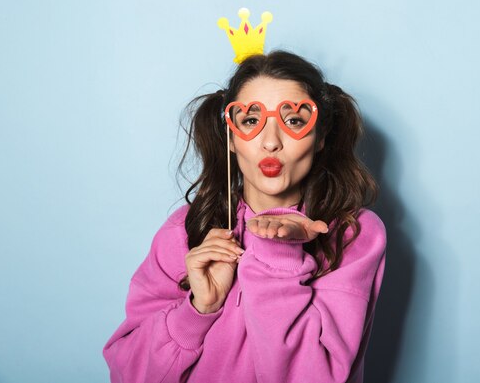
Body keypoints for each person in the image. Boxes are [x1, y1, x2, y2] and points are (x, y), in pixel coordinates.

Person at [103, 51, 386, 383]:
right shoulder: (185, 230)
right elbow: (128, 374)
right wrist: (197, 311)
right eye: (251, 120)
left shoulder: (353, 234)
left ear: (320, 136)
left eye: (294, 120)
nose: (270, 142)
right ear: (232, 136)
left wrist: (278, 252)